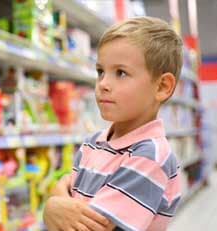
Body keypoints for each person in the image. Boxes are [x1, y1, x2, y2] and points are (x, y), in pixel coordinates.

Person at [43, 16, 183, 231]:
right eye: (100, 71)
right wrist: (56, 205)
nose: (103, 84)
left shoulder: (150, 155)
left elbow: (86, 224)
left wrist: (53, 204)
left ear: (162, 86)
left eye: (121, 73)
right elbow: (65, 199)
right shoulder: (94, 142)